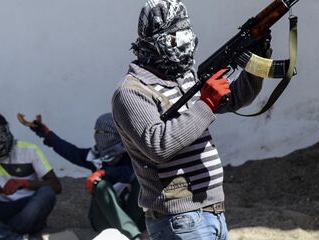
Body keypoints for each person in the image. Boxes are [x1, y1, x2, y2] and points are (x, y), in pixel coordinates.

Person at [111, 0, 272, 239]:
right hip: (180, 220)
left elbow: (236, 98)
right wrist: (205, 103)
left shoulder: (184, 77)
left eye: (187, 35)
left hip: (213, 211)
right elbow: (158, 145)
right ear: (154, 43)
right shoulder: (132, 91)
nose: (186, 45)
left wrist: (256, 59)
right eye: (176, 38)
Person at [26, 113, 145, 239]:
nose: (99, 136)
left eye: (104, 132)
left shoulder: (132, 156)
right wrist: (44, 132)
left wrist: (104, 172)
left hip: (134, 217)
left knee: (141, 178)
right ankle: (133, 236)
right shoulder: (95, 156)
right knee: (100, 185)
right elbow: (69, 151)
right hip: (104, 220)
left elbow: (130, 171)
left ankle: (132, 230)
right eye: (97, 132)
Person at [0, 112, 61, 240]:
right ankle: (10, 236)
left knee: (47, 193)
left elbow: (56, 185)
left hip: (25, 207)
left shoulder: (30, 150)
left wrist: (23, 184)